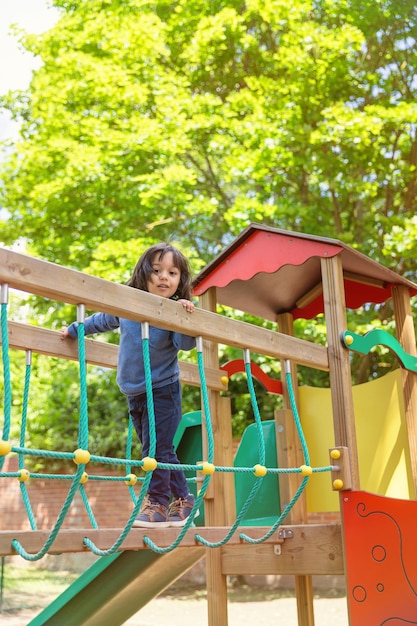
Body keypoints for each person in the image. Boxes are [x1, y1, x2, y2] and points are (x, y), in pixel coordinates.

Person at [61, 243, 197, 528]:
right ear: (143, 273)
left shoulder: (171, 311)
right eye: (157, 270)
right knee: (161, 449)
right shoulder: (128, 305)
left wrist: (184, 318)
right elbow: (101, 320)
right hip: (134, 392)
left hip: (162, 389)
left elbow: (185, 345)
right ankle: (184, 500)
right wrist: (75, 329)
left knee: (156, 450)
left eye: (172, 273)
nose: (164, 277)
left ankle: (157, 503)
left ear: (180, 280)